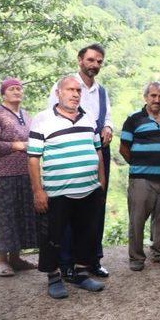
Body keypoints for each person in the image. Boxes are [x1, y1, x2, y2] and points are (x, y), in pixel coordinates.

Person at [28, 76, 106, 299]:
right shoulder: (43, 119)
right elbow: (33, 159)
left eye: (78, 91)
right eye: (70, 90)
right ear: (58, 93)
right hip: (57, 192)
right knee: (52, 236)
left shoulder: (88, 118)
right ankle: (53, 278)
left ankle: (81, 274)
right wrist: (38, 191)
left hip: (89, 189)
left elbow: (98, 151)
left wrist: (101, 183)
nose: (75, 94)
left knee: (87, 233)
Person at [48, 43, 112, 279]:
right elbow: (50, 119)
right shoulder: (63, 86)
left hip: (97, 152)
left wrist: (107, 127)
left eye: (99, 61)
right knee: (68, 209)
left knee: (96, 208)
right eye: (91, 60)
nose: (95, 65)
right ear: (80, 60)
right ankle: (66, 264)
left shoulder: (101, 91)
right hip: (69, 152)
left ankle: (92, 260)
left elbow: (108, 118)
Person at [0, 78, 44, 277]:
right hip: (4, 173)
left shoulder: (26, 115)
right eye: (12, 89)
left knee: (22, 214)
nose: (17, 91)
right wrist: (17, 145)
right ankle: (1, 260)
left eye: (19, 88)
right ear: (3, 93)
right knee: (5, 216)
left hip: (26, 172)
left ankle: (15, 258)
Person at [120, 82, 160, 271]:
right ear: (146, 97)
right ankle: (136, 257)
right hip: (142, 180)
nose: (157, 100)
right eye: (153, 96)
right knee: (137, 219)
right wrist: (140, 166)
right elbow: (124, 149)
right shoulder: (134, 119)